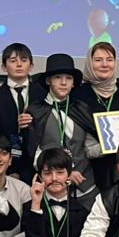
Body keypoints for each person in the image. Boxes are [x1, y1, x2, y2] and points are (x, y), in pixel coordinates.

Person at [73, 41, 119, 195]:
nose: (105, 64)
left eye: (110, 59)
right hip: (90, 173)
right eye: (98, 60)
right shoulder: (78, 95)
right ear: (90, 63)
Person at [29, 53, 98, 193]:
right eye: (58, 77)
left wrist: (116, 143)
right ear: (48, 80)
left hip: (85, 187)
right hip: (51, 188)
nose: (64, 83)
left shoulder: (82, 109)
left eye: (69, 78)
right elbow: (33, 154)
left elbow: (90, 149)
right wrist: (64, 174)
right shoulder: (35, 111)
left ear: (73, 83)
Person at [0, 43, 42, 184]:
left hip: (39, 162)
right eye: (13, 61)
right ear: (4, 67)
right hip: (6, 162)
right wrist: (9, 166)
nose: (19, 65)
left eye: (24, 60)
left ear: (31, 66)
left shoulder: (42, 93)